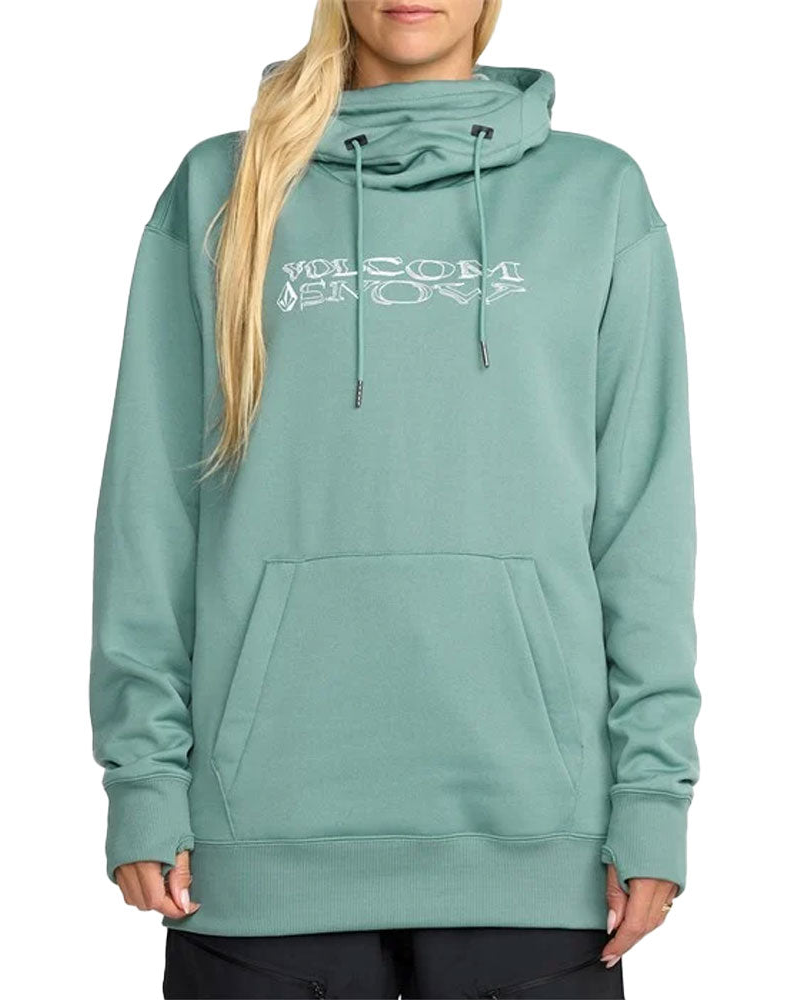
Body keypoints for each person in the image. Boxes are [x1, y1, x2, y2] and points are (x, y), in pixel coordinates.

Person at [88, 1, 701, 997]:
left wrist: (653, 796)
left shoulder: (598, 195)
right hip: (257, 846)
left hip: (538, 846)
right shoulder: (222, 186)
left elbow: (643, 524)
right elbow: (149, 509)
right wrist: (143, 778)